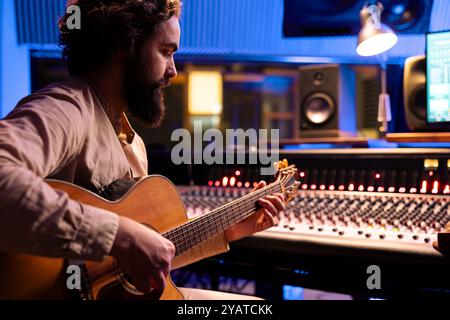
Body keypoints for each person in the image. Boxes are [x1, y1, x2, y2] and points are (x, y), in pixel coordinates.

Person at [0, 0, 285, 299]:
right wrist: (119, 235)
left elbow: (128, 265)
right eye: (166, 51)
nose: (173, 70)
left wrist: (228, 231)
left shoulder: (130, 141)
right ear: (124, 45)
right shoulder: (66, 108)